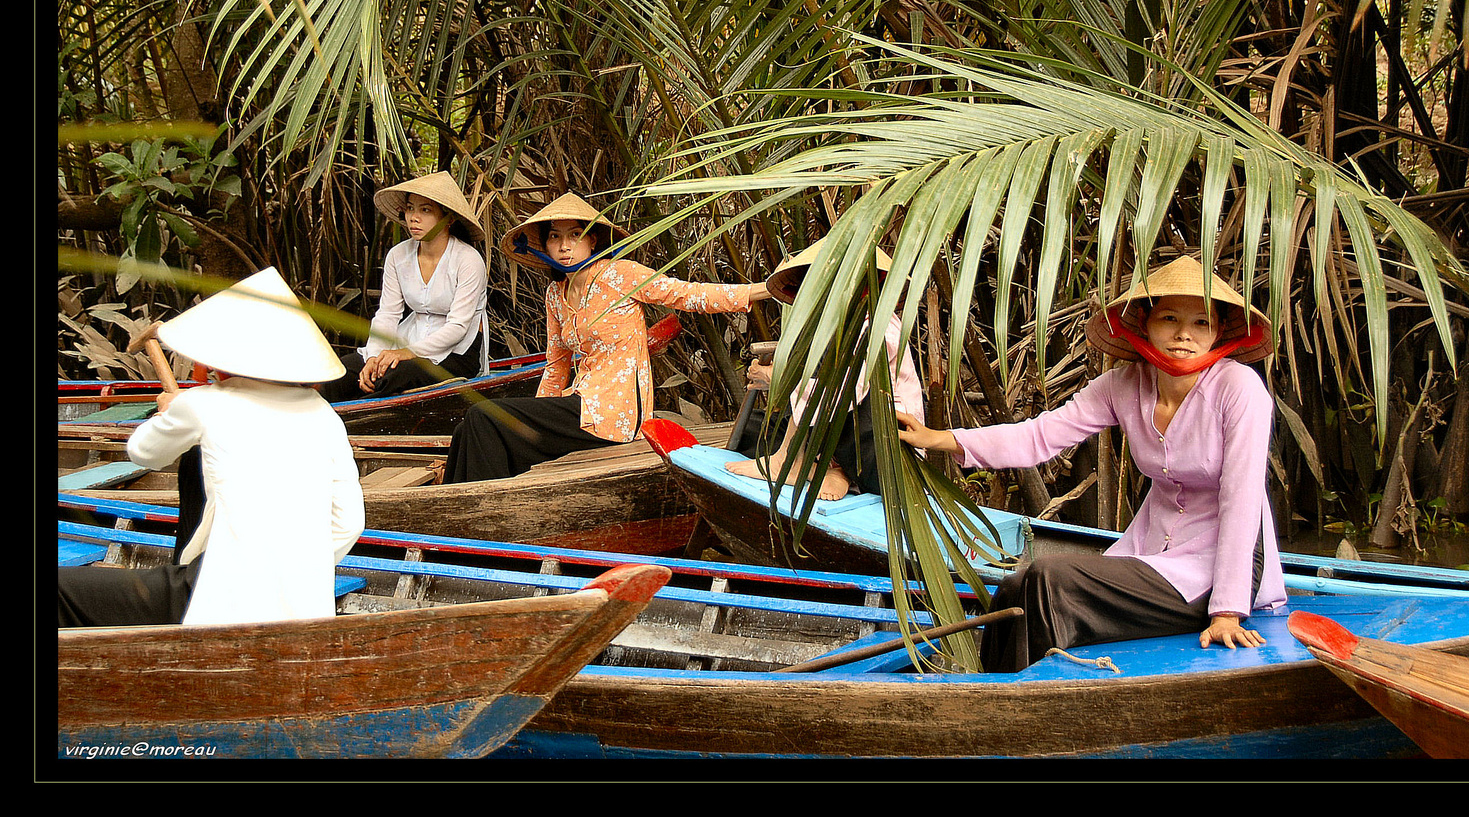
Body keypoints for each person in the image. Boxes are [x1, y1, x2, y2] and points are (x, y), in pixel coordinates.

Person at [895, 254, 1286, 671]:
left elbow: (1243, 499)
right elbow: (1039, 436)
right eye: (1170, 319)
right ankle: (988, 693)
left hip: (1223, 571)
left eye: (1201, 323)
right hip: (1154, 557)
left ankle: (1025, 701)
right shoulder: (1123, 385)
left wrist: (1227, 609)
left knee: (1050, 579)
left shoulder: (1239, 389)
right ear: (1145, 323)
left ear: (1219, 331)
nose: (1184, 335)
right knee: (1013, 587)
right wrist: (940, 438)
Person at [58, 267, 366, 628]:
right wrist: (288, 571)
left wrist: (168, 412)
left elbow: (143, 452)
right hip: (305, 609)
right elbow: (349, 525)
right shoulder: (324, 414)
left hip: (214, 598)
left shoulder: (204, 403)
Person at [443, 192, 771, 483]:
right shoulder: (555, 294)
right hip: (579, 404)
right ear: (544, 244)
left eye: (575, 235)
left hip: (616, 413)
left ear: (594, 241)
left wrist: (764, 289)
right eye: (555, 236)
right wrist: (533, 423)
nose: (564, 245)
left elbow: (687, 295)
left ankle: (463, 523)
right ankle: (454, 517)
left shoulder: (620, 275)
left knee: (481, 416)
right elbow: (556, 367)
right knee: (470, 428)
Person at [725, 241, 924, 501]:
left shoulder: (878, 328)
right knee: (753, 430)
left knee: (817, 379)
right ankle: (826, 470)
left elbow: (840, 394)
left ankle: (793, 461)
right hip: (835, 439)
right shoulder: (832, 328)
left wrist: (777, 378)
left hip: (884, 450)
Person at [317, 170, 489, 403]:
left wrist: (407, 353)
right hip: (406, 340)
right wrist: (374, 357)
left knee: (389, 376)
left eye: (425, 210)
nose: (413, 217)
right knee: (336, 374)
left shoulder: (468, 260)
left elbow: (458, 326)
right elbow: (388, 313)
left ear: (448, 218)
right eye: (410, 208)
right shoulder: (398, 255)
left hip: (456, 352)